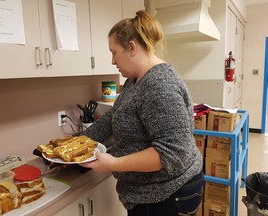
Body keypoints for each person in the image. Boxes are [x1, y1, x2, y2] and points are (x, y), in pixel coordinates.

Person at [80, 10, 204, 216]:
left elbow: (172, 154)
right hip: (151, 193)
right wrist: (76, 143)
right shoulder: (135, 80)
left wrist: (114, 163)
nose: (112, 61)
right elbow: (111, 118)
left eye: (114, 52)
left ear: (131, 48)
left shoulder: (159, 85)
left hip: (168, 195)